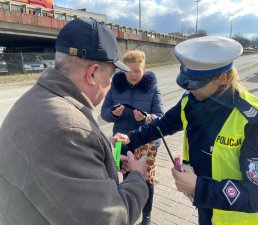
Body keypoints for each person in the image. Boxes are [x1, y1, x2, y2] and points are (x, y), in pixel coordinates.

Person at [113, 36, 258, 225]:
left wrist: (199, 187)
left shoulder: (255, 121)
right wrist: (130, 139)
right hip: (207, 208)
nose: (190, 89)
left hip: (240, 219)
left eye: (196, 83)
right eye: (187, 82)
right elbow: (163, 125)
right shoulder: (191, 102)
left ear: (224, 77)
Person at [0, 18, 149, 225]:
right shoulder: (70, 130)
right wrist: (137, 177)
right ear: (93, 73)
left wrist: (102, 155)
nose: (109, 87)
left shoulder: (36, 98)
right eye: (111, 76)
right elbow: (112, 219)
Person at [101, 49, 164, 225]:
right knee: (124, 175)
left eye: (137, 70)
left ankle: (147, 215)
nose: (133, 74)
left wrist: (146, 118)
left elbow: (161, 116)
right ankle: (127, 209)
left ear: (144, 69)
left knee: (146, 179)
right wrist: (114, 114)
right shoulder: (115, 86)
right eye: (129, 70)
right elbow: (104, 113)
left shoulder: (153, 88)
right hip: (120, 142)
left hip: (146, 143)